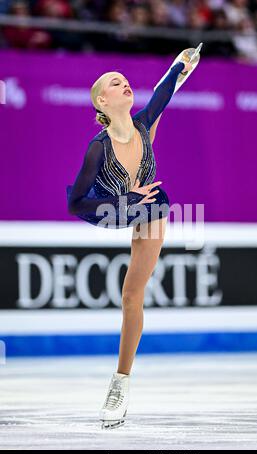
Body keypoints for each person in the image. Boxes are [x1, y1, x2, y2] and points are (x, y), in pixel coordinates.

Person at [66, 57, 193, 429]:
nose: (123, 84)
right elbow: (75, 203)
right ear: (101, 101)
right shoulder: (98, 148)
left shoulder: (142, 122)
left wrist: (181, 66)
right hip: (111, 208)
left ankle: (119, 383)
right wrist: (125, 202)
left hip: (150, 207)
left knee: (131, 295)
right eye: (114, 82)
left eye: (125, 81)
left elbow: (163, 93)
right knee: (151, 130)